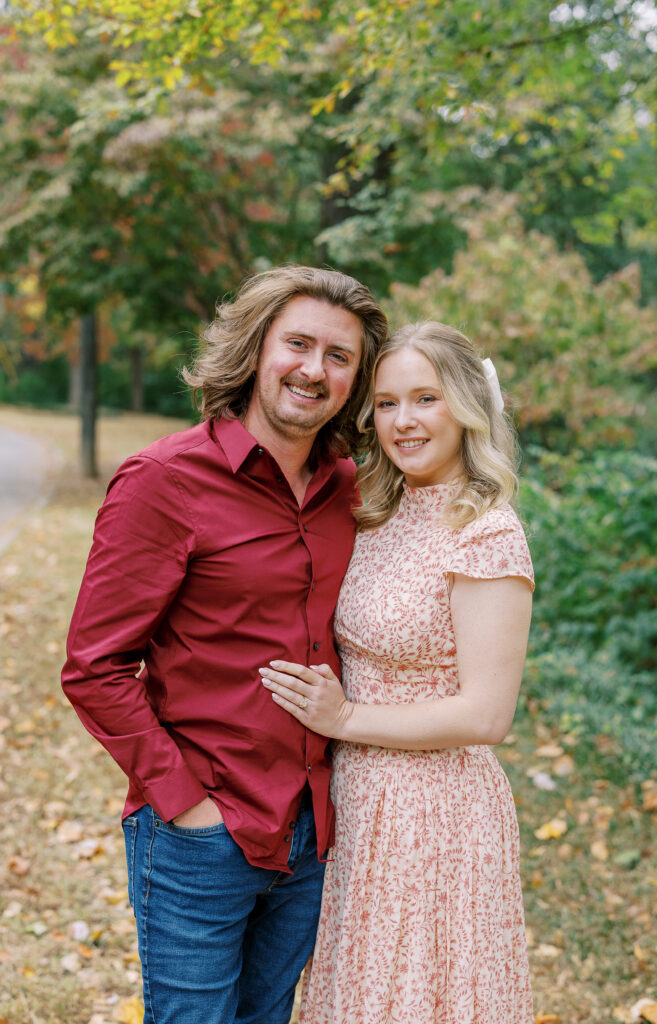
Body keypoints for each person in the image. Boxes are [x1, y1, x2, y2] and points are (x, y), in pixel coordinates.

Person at [61, 265, 388, 1024]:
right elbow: (95, 667)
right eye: (297, 344)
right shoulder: (164, 480)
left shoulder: (353, 490)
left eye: (339, 357)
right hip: (201, 832)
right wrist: (185, 806)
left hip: (314, 832)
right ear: (254, 350)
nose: (314, 369)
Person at [259, 321, 535, 1024]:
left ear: (467, 406)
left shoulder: (485, 531)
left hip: (435, 812)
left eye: (424, 399)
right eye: (384, 403)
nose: (402, 422)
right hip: (357, 802)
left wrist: (346, 718)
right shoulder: (377, 508)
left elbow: (486, 715)